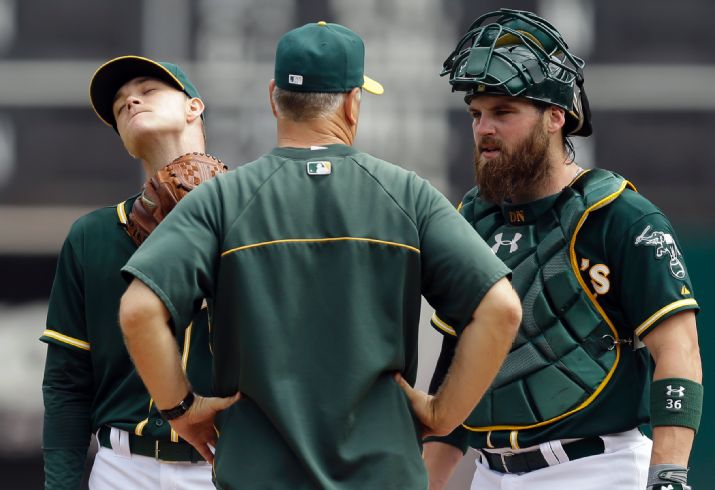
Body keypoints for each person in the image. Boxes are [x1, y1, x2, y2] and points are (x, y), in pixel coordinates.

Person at [117, 21, 522, 490]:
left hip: (257, 476)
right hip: (381, 476)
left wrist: (181, 410)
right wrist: (444, 413)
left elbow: (139, 311)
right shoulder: (406, 194)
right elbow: (501, 308)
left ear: (274, 97)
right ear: (353, 103)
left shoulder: (223, 198)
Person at [424, 9, 702, 490]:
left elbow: (679, 349)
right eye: (476, 113)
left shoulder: (621, 217)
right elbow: (452, 372)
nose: (484, 128)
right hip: (491, 475)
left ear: (557, 117)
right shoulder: (469, 221)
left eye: (503, 112)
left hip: (597, 470)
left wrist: (669, 475)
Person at [40, 55, 225, 489]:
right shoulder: (94, 236)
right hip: (122, 468)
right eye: (119, 103)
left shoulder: (255, 219)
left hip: (226, 466)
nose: (130, 100)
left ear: (193, 106)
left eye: (149, 88)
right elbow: (68, 382)